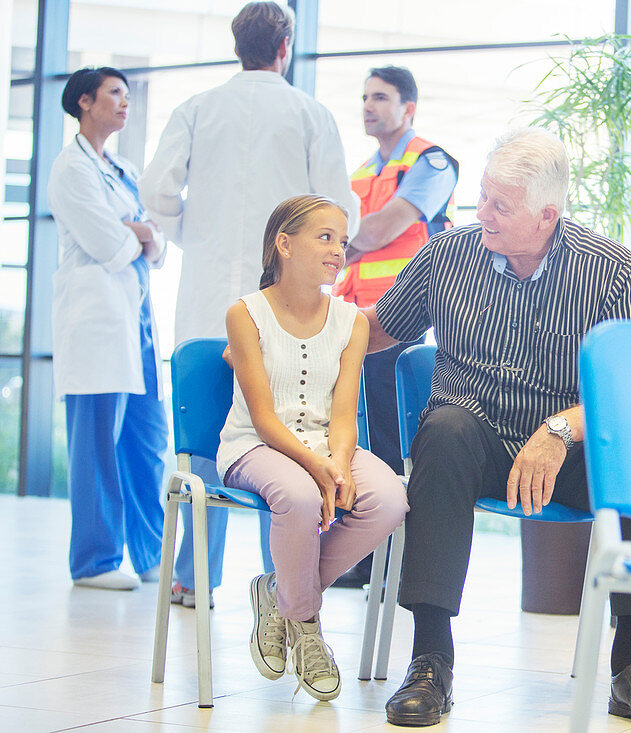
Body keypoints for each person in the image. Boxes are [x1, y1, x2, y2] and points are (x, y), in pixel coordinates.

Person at [364, 129, 631, 729]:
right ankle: (431, 657)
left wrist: (561, 428)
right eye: (482, 198)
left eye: (499, 206)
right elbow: (379, 328)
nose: (483, 214)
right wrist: (286, 332)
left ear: (546, 215)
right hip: (474, 438)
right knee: (445, 428)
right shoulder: (448, 254)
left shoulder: (610, 270)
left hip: (565, 450)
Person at [140, 1, 361, 609]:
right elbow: (340, 208)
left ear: (237, 46)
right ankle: (285, 579)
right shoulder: (310, 114)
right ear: (285, 47)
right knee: (288, 427)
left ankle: (193, 578)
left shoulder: (196, 109)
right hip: (284, 305)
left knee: (205, 436)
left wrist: (198, 237)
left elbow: (157, 189)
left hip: (207, 299)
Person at [218, 194, 407, 701]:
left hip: (327, 444)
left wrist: (338, 466)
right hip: (257, 446)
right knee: (300, 497)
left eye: (342, 242)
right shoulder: (245, 313)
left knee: (389, 500)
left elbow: (344, 414)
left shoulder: (354, 322)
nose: (337, 251)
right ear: (284, 244)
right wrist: (317, 469)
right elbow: (261, 418)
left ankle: (281, 595)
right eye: (324, 238)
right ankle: (306, 625)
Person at [331, 65, 457, 587]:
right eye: (363, 97)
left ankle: (392, 562)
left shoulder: (430, 161)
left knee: (389, 439)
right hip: (353, 321)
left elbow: (384, 229)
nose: (367, 106)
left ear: (408, 107)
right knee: (357, 440)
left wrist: (339, 240)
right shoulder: (360, 172)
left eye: (380, 98)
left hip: (399, 322)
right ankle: (364, 556)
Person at [47, 66, 167, 591]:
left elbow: (155, 244)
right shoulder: (69, 170)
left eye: (125, 93)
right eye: (114, 93)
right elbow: (110, 246)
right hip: (95, 322)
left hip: (135, 319)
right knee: (97, 441)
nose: (124, 102)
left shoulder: (123, 169)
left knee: (148, 439)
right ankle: (94, 561)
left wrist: (141, 234)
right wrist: (138, 234)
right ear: (85, 102)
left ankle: (150, 556)